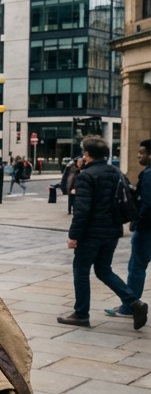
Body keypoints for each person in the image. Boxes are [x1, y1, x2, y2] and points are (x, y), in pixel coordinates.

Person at [58, 136, 148, 329]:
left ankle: (81, 313)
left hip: (91, 233)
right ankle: (134, 302)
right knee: (103, 270)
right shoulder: (117, 173)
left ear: (87, 154)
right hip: (113, 231)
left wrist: (74, 235)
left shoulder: (86, 176)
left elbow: (82, 209)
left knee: (81, 271)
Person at [107, 139, 151, 320]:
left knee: (136, 267)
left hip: (147, 229)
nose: (139, 156)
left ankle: (129, 306)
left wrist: (137, 221)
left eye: (141, 152)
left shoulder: (148, 174)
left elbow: (147, 204)